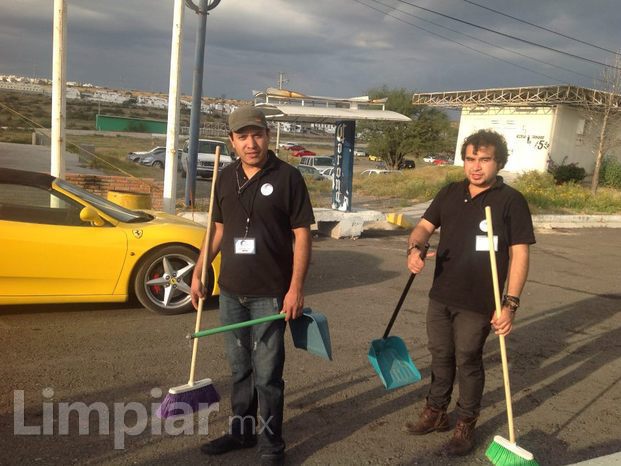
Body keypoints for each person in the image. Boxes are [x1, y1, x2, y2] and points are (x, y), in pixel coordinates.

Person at [191, 106, 315, 465]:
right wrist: (199, 272)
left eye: (257, 134)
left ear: (268, 135)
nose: (251, 143)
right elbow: (216, 231)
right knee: (239, 369)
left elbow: (302, 236)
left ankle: (272, 445)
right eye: (242, 136)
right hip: (230, 291)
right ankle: (241, 432)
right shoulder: (224, 177)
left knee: (268, 374)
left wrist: (296, 289)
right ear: (231, 141)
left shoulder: (289, 177)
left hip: (270, 294)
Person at [404, 129, 535, 456]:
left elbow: (520, 254)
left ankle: (465, 423)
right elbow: (423, 227)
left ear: (499, 162)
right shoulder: (450, 192)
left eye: (485, 160)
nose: (476, 167)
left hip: (480, 302)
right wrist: (415, 247)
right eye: (470, 159)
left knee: (468, 359)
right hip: (442, 295)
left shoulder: (511, 201)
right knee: (440, 355)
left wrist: (511, 304)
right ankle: (436, 412)